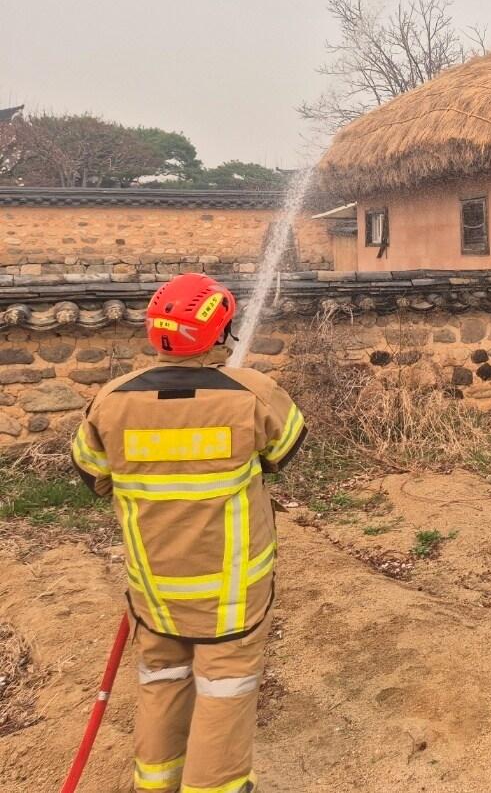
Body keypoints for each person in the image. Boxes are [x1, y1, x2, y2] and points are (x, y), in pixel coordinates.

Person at [69, 273, 306, 793]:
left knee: (161, 681)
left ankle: (154, 784)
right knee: (225, 689)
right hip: (230, 595)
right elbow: (283, 452)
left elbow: (93, 474)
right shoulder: (255, 395)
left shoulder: (110, 402)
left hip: (153, 590)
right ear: (221, 332)